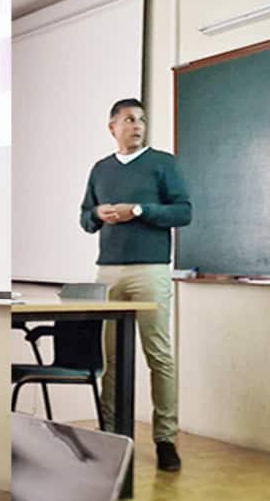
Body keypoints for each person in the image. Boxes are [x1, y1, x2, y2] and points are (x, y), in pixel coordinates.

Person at [80, 98, 192, 472]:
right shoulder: (100, 169)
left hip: (151, 270)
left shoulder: (163, 163)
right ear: (112, 127)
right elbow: (85, 217)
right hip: (109, 272)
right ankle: (110, 434)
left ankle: (165, 439)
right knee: (109, 358)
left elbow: (183, 211)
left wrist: (139, 210)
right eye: (129, 119)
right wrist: (98, 213)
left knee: (158, 355)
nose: (137, 125)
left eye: (142, 119)